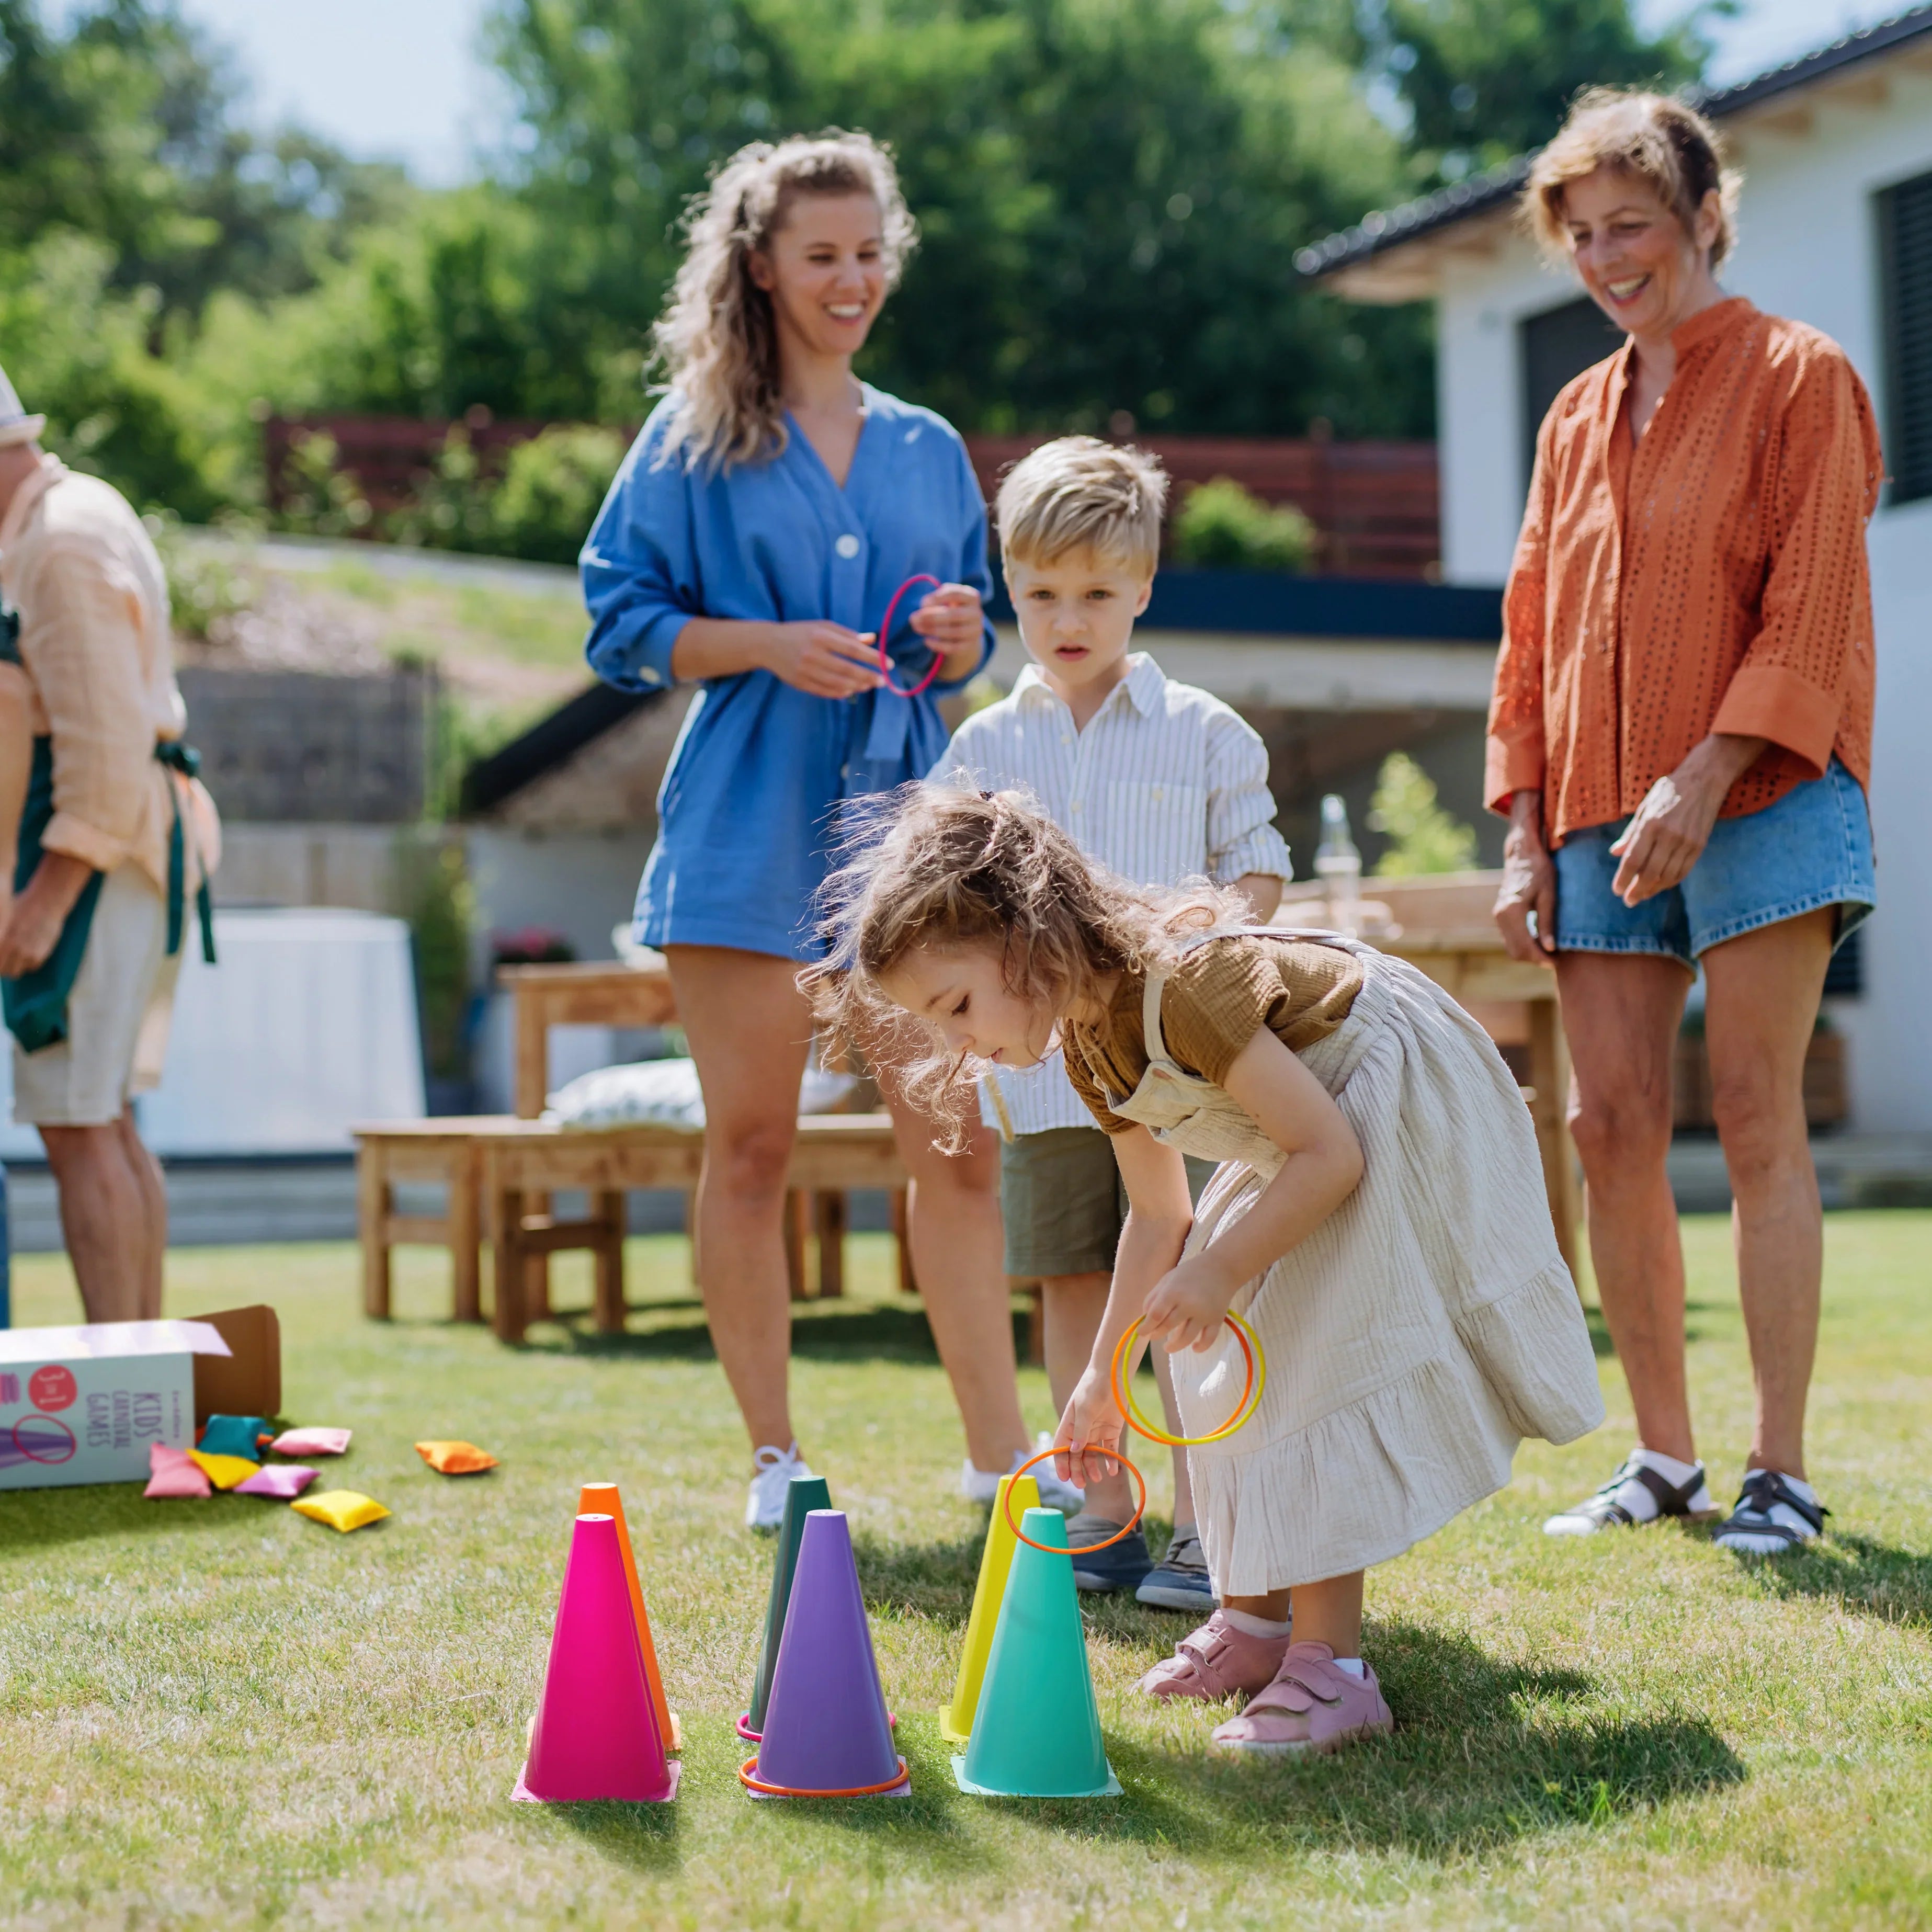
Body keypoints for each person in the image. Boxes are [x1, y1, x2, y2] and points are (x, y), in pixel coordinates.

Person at [810, 789, 1603, 1756]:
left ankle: (1333, 1669)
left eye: (957, 1006)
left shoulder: (1183, 986)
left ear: (1024, 936)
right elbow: (1159, 1215)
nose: (958, 1044)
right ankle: (1255, 1622)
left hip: (1388, 1094)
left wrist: (1221, 1270)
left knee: (1310, 1359)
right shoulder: (1091, 1046)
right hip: (1307, 1137)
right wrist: (1102, 1381)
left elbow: (1332, 1155)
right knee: (1209, 1358)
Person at [581, 132, 1064, 1528]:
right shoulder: (690, 436)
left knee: (956, 1145)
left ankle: (998, 1457)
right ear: (758, 266)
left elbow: (963, 636)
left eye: (867, 254)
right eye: (819, 256)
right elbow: (617, 621)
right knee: (750, 1149)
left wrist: (961, 634)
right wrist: (760, 643)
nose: (850, 280)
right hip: (742, 830)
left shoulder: (925, 445)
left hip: (911, 843)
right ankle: (773, 1460)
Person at [1488, 90, 1880, 1556]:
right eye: (1581, 236)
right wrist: (1522, 825)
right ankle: (1662, 1456)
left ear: (1703, 218)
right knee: (1603, 1122)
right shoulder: (1570, 416)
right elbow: (1530, 628)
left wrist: (1702, 775)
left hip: (1765, 786)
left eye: (1630, 226)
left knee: (1757, 1108)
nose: (1604, 258)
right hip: (1590, 806)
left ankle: (1777, 1469)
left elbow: (1813, 605)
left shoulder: (1801, 375)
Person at [936, 437, 1289, 1612]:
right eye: (1041, 594)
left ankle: (1201, 1523)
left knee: (1182, 1276)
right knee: (1069, 1277)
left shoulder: (1205, 730)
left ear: (1142, 585)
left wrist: (1208, 929)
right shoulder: (982, 747)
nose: (1067, 618)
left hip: (1175, 1072)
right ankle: (1100, 1509)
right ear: (1008, 588)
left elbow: (1257, 869)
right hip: (1039, 1075)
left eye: (1095, 592)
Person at [0, 364, 219, 1324]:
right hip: (116, 851)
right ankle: (147, 1370)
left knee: (79, 1127)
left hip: (92, 862)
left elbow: (102, 741)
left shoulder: (60, 543)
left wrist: (44, 900)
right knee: (104, 1122)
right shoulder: (61, 520)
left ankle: (125, 1374)